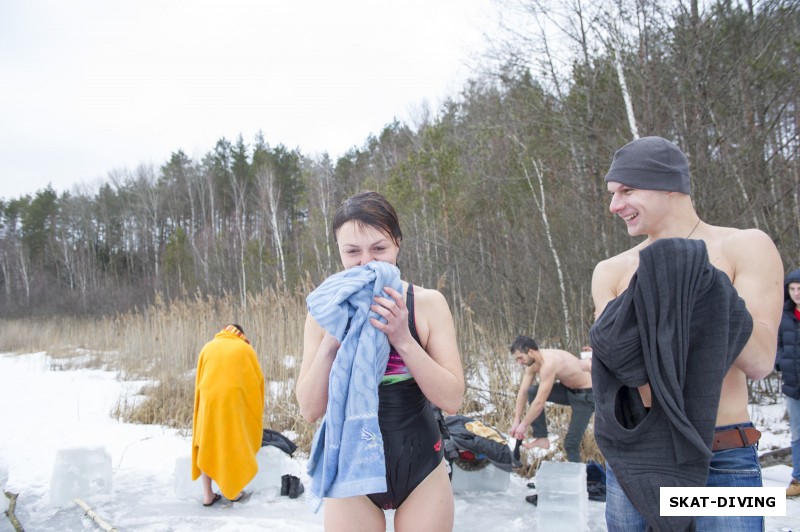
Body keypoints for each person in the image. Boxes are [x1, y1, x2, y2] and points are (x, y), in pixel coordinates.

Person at [590, 136, 783, 530]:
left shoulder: (744, 246)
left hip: (724, 457)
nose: (614, 206)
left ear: (669, 185)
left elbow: (761, 361)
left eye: (627, 190)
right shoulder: (610, 270)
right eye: (612, 194)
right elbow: (622, 372)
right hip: (636, 460)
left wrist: (695, 276)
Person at [296, 191, 465, 532]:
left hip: (421, 467)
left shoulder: (428, 304)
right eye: (352, 252)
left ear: (398, 244)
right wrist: (332, 341)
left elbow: (452, 399)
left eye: (379, 249)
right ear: (339, 252)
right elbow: (310, 410)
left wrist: (403, 338)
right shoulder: (322, 314)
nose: (367, 263)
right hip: (351, 468)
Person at [191, 324, 264, 506]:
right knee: (232, 439)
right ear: (241, 334)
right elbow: (257, 382)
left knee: (207, 441)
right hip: (232, 401)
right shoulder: (245, 348)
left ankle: (208, 495)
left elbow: (199, 379)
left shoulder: (208, 347)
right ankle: (233, 491)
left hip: (208, 399)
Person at [508, 335, 594, 464]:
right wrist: (516, 420)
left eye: (520, 358)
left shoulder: (549, 363)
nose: (519, 362)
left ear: (530, 351)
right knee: (532, 391)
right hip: (568, 391)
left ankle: (580, 482)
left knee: (571, 444)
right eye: (516, 360)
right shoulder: (533, 363)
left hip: (586, 396)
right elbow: (523, 392)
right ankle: (541, 437)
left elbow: (539, 402)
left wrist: (523, 425)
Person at [777, 268, 800, 497]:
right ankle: (799, 479)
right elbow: (778, 344)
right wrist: (780, 363)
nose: (796, 293)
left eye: (799, 289)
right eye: (792, 289)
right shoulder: (784, 316)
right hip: (793, 385)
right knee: (797, 434)